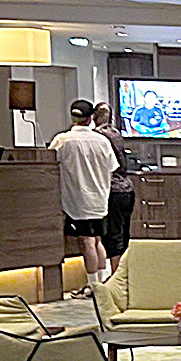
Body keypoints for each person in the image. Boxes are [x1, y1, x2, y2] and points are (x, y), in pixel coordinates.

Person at [50, 100, 119, 292]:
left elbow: (49, 164)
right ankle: (103, 283)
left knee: (87, 241)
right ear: (90, 119)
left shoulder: (62, 140)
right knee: (97, 239)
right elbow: (112, 168)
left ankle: (93, 286)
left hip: (76, 200)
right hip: (100, 198)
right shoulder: (103, 141)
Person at [92, 102, 136, 264]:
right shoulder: (116, 133)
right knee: (124, 235)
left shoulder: (98, 136)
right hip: (127, 189)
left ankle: (116, 273)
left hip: (113, 190)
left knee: (113, 236)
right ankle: (126, 269)